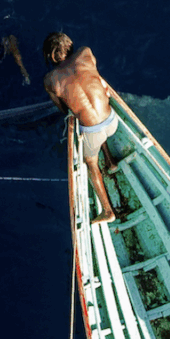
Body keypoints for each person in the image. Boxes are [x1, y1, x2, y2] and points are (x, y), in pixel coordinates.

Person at [43, 32, 118, 225]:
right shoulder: (85, 52)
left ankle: (108, 211)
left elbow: (63, 109)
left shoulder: (51, 79)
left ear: (51, 56)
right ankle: (110, 162)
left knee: (90, 162)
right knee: (97, 127)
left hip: (93, 134)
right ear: (69, 45)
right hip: (112, 121)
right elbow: (94, 76)